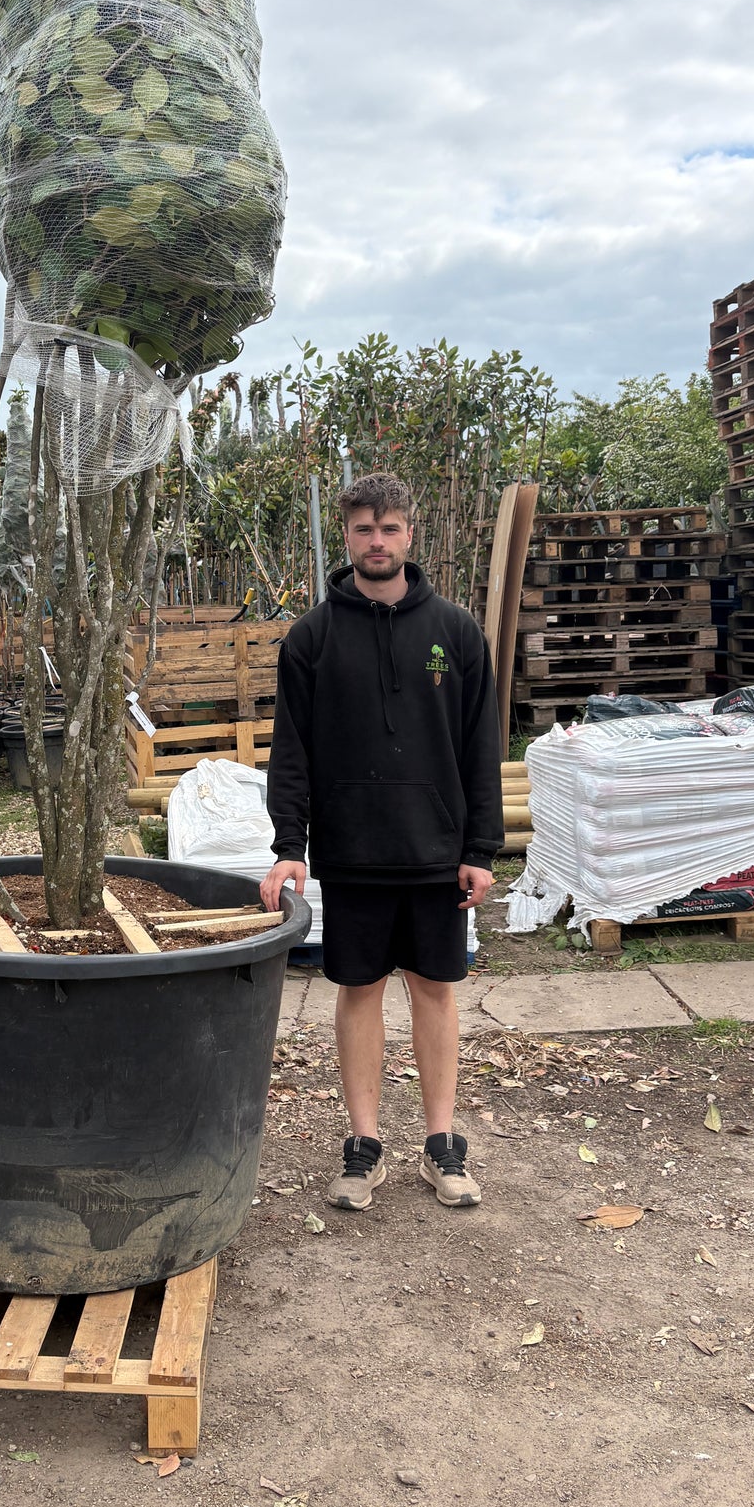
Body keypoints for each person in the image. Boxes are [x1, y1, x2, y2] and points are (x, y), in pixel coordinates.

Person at [260, 471, 502, 1211]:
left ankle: (440, 1143)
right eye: (364, 528)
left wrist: (481, 849)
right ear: (347, 536)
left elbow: (477, 745)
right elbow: (291, 749)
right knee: (357, 990)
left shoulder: (455, 633)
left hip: (435, 850)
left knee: (434, 989)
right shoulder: (312, 637)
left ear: (408, 534)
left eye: (389, 527)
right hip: (353, 849)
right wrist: (289, 844)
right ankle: (363, 1145)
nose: (377, 540)